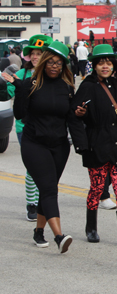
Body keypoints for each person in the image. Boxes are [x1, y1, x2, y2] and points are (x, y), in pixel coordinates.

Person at [3, 41, 88, 253]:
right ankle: (59, 236)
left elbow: (71, 119)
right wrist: (21, 89)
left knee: (47, 189)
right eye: (50, 62)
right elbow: (20, 114)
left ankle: (38, 232)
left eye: (59, 63)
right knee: (49, 189)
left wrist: (82, 143)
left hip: (59, 146)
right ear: (43, 63)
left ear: (63, 67)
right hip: (34, 143)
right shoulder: (31, 84)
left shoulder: (67, 87)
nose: (54, 66)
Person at [72, 44, 117, 245]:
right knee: (97, 188)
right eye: (101, 63)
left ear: (114, 65)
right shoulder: (87, 86)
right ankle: (91, 228)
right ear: (94, 66)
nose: (105, 66)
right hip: (96, 146)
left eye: (109, 63)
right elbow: (74, 116)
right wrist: (81, 144)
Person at [8, 35, 53, 221]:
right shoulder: (21, 75)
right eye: (33, 53)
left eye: (39, 53)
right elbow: (9, 94)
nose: (35, 57)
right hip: (24, 127)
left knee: (47, 168)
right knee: (32, 166)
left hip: (48, 127)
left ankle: (44, 201)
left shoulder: (52, 75)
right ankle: (32, 204)